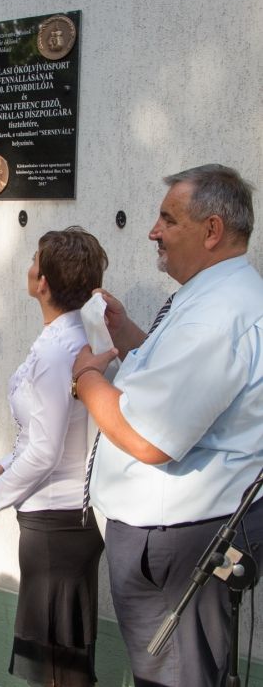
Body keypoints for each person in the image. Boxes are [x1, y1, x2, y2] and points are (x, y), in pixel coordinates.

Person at [72, 164, 263, 687]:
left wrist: (86, 378)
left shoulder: (216, 316)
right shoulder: (213, 296)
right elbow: (176, 384)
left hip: (178, 542)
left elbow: (150, 438)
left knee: (174, 677)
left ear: (212, 230)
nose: (153, 232)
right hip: (178, 534)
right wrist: (127, 334)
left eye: (168, 220)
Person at [0, 227, 107, 687]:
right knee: (62, 663)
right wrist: (3, 465)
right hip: (68, 520)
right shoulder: (77, 335)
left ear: (43, 284)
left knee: (57, 669)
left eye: (34, 262)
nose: (29, 268)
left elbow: (45, 450)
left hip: (56, 525)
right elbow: (50, 433)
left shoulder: (59, 349)